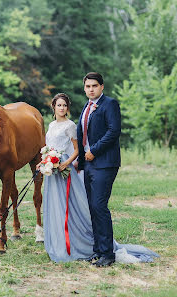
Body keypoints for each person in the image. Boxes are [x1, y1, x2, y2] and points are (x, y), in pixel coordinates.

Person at [42, 91, 159, 265]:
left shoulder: (100, 109)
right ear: (53, 106)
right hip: (58, 170)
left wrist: (69, 161)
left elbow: (111, 132)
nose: (62, 108)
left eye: (65, 105)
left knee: (94, 206)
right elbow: (54, 146)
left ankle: (104, 252)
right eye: (59, 105)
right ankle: (89, 247)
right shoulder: (58, 122)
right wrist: (45, 162)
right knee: (73, 206)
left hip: (91, 164)